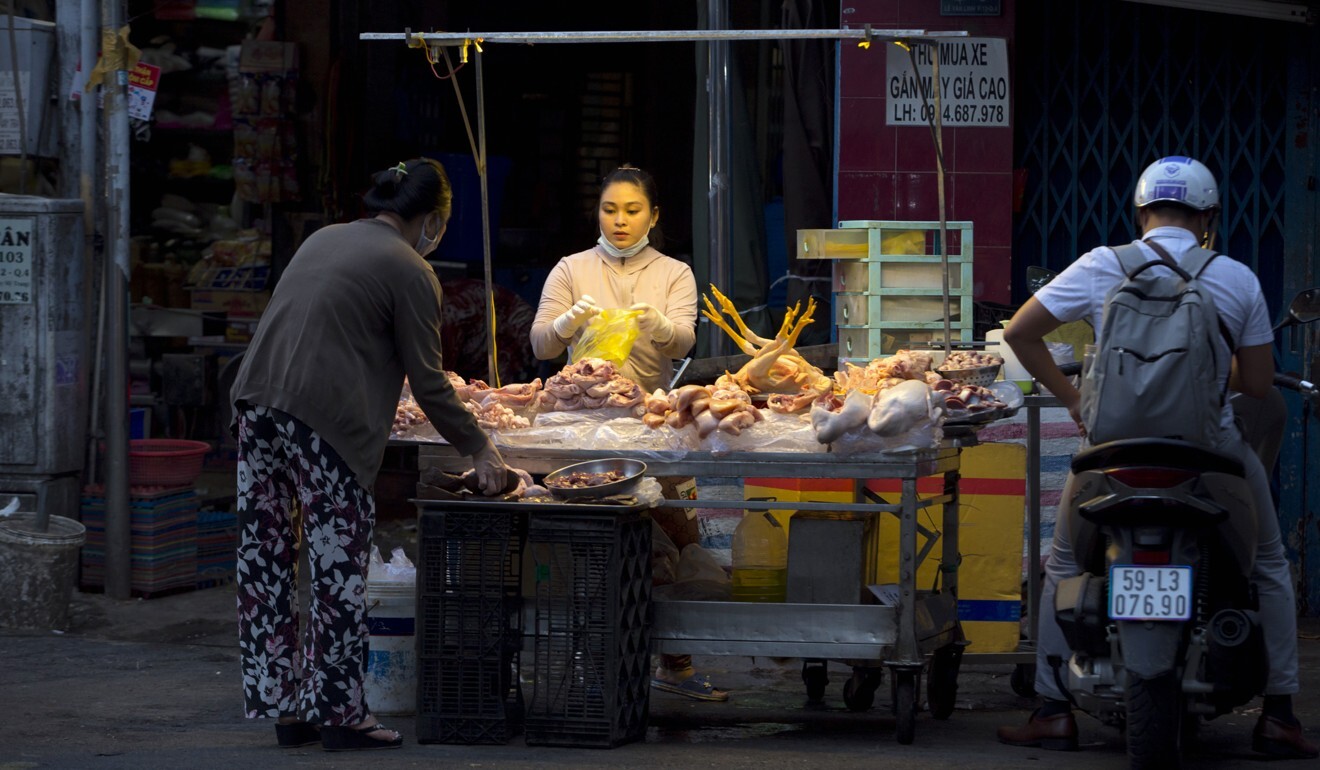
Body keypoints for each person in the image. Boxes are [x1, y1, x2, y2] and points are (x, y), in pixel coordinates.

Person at [997, 156, 1317, 759]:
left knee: (1062, 563)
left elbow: (1018, 332)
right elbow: (1257, 386)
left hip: (1109, 451)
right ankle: (1278, 715)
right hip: (1208, 451)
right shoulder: (1236, 278)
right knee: (1269, 562)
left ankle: (1051, 709)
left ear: (1141, 213)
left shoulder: (1099, 265)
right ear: (1207, 219)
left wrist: (1077, 401)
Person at [231, 158, 509, 751]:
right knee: (336, 564)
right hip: (324, 417)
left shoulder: (325, 237)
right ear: (433, 219)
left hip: (257, 404)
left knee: (268, 558)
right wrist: (479, 447)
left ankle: (286, 708)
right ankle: (340, 715)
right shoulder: (410, 269)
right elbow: (429, 382)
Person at [530, 166, 725, 701]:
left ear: (653, 216)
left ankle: (675, 662)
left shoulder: (673, 273)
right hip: (581, 429)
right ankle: (585, 655)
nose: (619, 221)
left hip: (653, 427)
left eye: (632, 211)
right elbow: (542, 346)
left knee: (674, 539)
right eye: (610, 209)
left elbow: (683, 342)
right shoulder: (572, 269)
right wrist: (567, 322)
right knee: (590, 546)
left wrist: (659, 327)